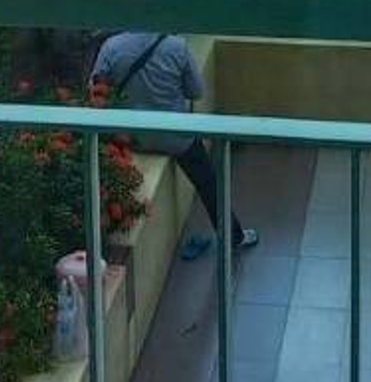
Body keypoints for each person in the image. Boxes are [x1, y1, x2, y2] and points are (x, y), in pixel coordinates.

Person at [90, 29, 258, 252]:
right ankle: (233, 237)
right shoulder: (177, 46)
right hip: (174, 136)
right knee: (208, 182)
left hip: (130, 137)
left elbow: (96, 91)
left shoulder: (112, 47)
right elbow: (196, 92)